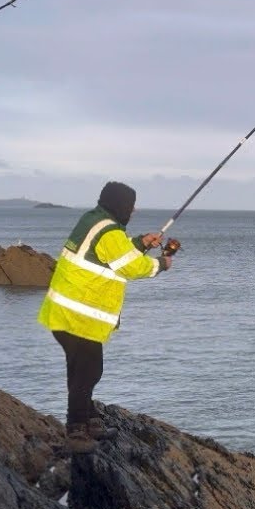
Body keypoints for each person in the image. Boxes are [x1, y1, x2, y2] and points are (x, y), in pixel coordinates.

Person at [37, 181, 175, 453]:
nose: (133, 210)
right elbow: (131, 267)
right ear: (121, 205)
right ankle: (77, 433)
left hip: (64, 313)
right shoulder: (109, 232)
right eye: (131, 205)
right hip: (79, 317)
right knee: (87, 373)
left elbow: (111, 255)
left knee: (80, 371)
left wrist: (140, 242)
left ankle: (90, 423)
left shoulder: (94, 220)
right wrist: (161, 264)